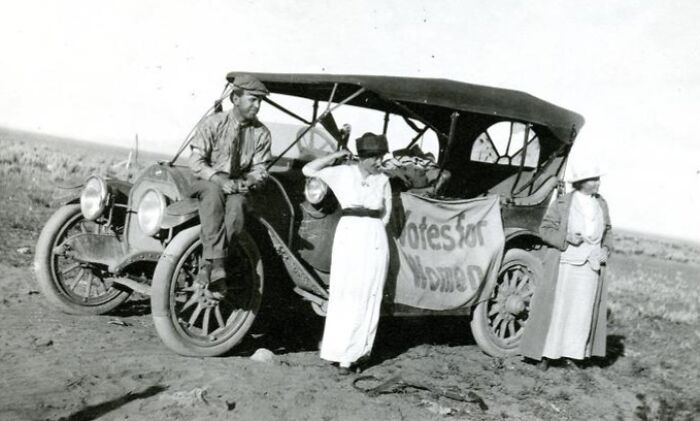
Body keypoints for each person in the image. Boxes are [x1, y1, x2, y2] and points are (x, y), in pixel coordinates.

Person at [302, 132, 393, 374]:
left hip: (374, 237)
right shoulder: (343, 173)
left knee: (369, 293)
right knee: (346, 292)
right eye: (373, 157)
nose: (378, 162)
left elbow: (386, 214)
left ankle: (357, 354)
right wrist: (334, 156)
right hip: (349, 234)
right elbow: (308, 170)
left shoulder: (383, 180)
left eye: (380, 157)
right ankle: (338, 353)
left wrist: (371, 233)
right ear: (362, 157)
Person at [519, 162, 613, 370]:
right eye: (593, 179)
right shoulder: (563, 203)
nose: (597, 183)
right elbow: (545, 229)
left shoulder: (601, 204)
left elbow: (607, 231)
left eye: (597, 179)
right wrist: (566, 237)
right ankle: (546, 355)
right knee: (559, 309)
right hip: (565, 264)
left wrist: (605, 249)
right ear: (580, 183)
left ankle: (573, 354)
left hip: (591, 267)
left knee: (581, 312)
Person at [188, 74, 272, 285]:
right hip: (208, 181)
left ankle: (214, 264)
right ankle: (214, 264)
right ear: (236, 98)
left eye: (260, 100)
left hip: (238, 185)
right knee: (213, 196)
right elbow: (196, 161)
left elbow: (261, 169)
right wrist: (218, 180)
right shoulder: (213, 123)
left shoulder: (262, 133)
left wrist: (249, 181)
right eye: (253, 99)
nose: (258, 105)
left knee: (237, 207)